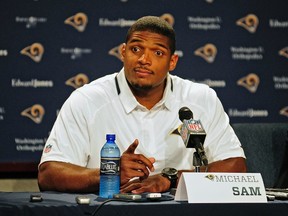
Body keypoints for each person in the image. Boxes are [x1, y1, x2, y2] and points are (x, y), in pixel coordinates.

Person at [38, 16, 246, 193]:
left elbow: (235, 166)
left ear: (172, 62)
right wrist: (109, 172)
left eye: (158, 53)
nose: (144, 59)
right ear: (123, 52)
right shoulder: (87, 99)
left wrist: (170, 179)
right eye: (136, 49)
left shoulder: (201, 99)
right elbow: (48, 174)